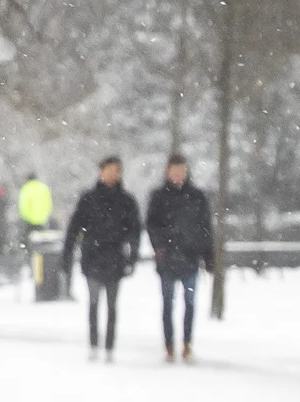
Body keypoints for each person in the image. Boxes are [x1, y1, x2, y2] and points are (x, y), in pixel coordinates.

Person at [64, 157, 142, 360]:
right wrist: (68, 254)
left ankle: (109, 346)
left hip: (115, 258)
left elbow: (134, 231)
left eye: (117, 171)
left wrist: (132, 256)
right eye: (109, 170)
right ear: (101, 172)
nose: (113, 174)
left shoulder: (126, 201)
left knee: (112, 305)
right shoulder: (89, 199)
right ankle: (93, 343)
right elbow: (74, 228)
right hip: (92, 257)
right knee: (94, 303)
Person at [147, 153, 215, 362]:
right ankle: (169, 344)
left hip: (190, 258)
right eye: (174, 171)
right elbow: (151, 224)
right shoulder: (158, 197)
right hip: (167, 258)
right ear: (167, 172)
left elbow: (205, 228)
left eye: (181, 171)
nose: (178, 175)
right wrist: (159, 246)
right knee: (168, 302)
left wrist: (208, 255)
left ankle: (187, 343)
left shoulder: (197, 197)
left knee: (190, 302)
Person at [18, 172, 58, 298]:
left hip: (30, 222)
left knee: (32, 249)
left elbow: (23, 206)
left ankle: (34, 269)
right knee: (43, 250)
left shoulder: (26, 188)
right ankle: (41, 271)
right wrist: (44, 216)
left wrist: (27, 218)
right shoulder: (43, 188)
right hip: (42, 222)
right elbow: (49, 204)